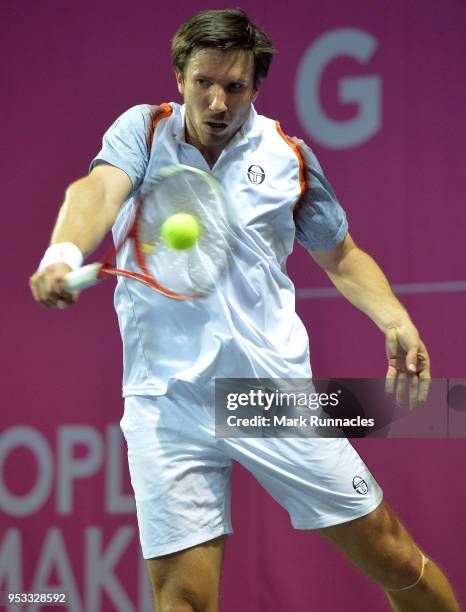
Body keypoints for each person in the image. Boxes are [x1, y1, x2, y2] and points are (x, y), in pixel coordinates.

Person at [29, 9, 459, 612]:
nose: (218, 101)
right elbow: (96, 191)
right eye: (204, 81)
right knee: (183, 600)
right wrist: (63, 251)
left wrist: (396, 319)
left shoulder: (289, 158)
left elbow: (342, 257)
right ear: (180, 76)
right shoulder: (143, 133)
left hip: (265, 395)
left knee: (394, 559)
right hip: (165, 400)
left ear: (255, 87)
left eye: (235, 86)